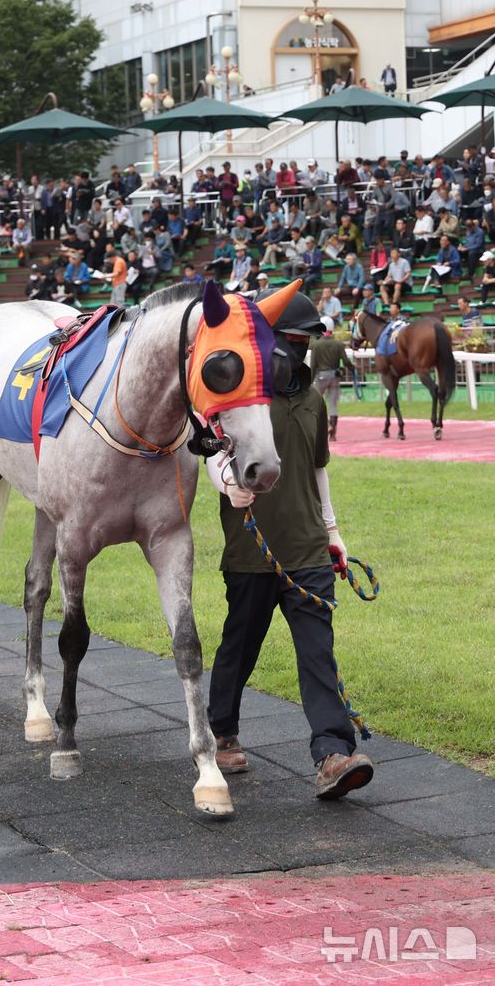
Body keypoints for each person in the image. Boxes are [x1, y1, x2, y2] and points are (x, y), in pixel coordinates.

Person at [206, 290, 373, 799]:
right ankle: (221, 731)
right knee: (240, 646)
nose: (298, 351)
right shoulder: (237, 398)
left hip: (308, 551)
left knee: (318, 654)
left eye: (305, 342)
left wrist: (333, 533)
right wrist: (227, 484)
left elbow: (319, 470)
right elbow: (213, 454)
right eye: (292, 341)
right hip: (251, 553)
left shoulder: (313, 401)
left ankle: (333, 754)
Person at [310, 316, 354, 441]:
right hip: (335, 376)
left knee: (316, 404)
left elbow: (313, 365)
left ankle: (325, 427)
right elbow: (346, 361)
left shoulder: (316, 345)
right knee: (333, 405)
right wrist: (352, 367)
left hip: (321, 377)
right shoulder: (338, 344)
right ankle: (333, 433)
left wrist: (309, 381)